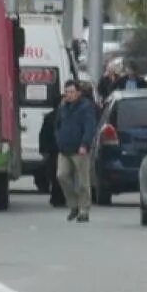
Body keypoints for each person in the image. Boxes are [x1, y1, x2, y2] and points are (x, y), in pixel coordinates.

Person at [53, 81, 97, 222]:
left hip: (80, 149)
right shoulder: (63, 107)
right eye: (67, 92)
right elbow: (58, 124)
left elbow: (90, 127)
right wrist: (59, 139)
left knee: (83, 182)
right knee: (61, 175)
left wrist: (85, 144)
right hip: (64, 149)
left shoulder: (86, 107)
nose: (69, 95)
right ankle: (73, 205)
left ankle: (84, 210)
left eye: (72, 92)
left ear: (78, 93)